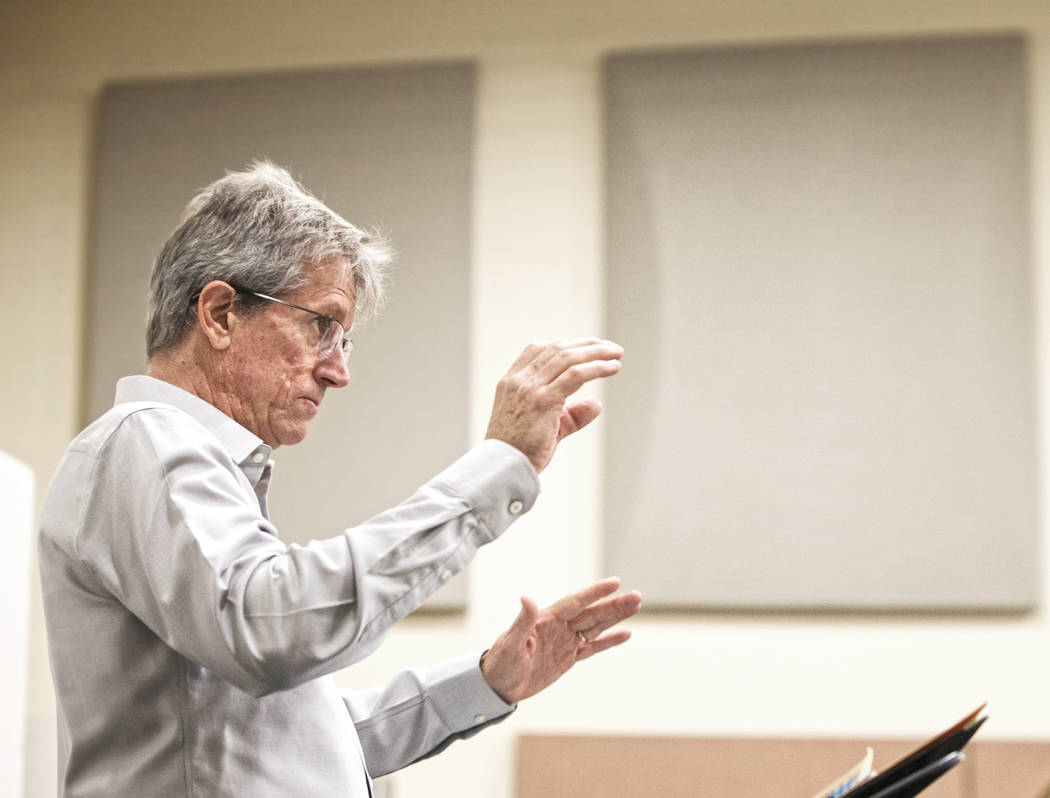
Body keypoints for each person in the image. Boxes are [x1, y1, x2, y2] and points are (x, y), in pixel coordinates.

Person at [38, 162, 641, 798]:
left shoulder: (186, 468)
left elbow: (303, 741)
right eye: (321, 324)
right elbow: (269, 628)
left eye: (344, 339)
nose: (337, 371)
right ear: (218, 314)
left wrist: (491, 681)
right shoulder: (146, 443)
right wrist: (495, 466)